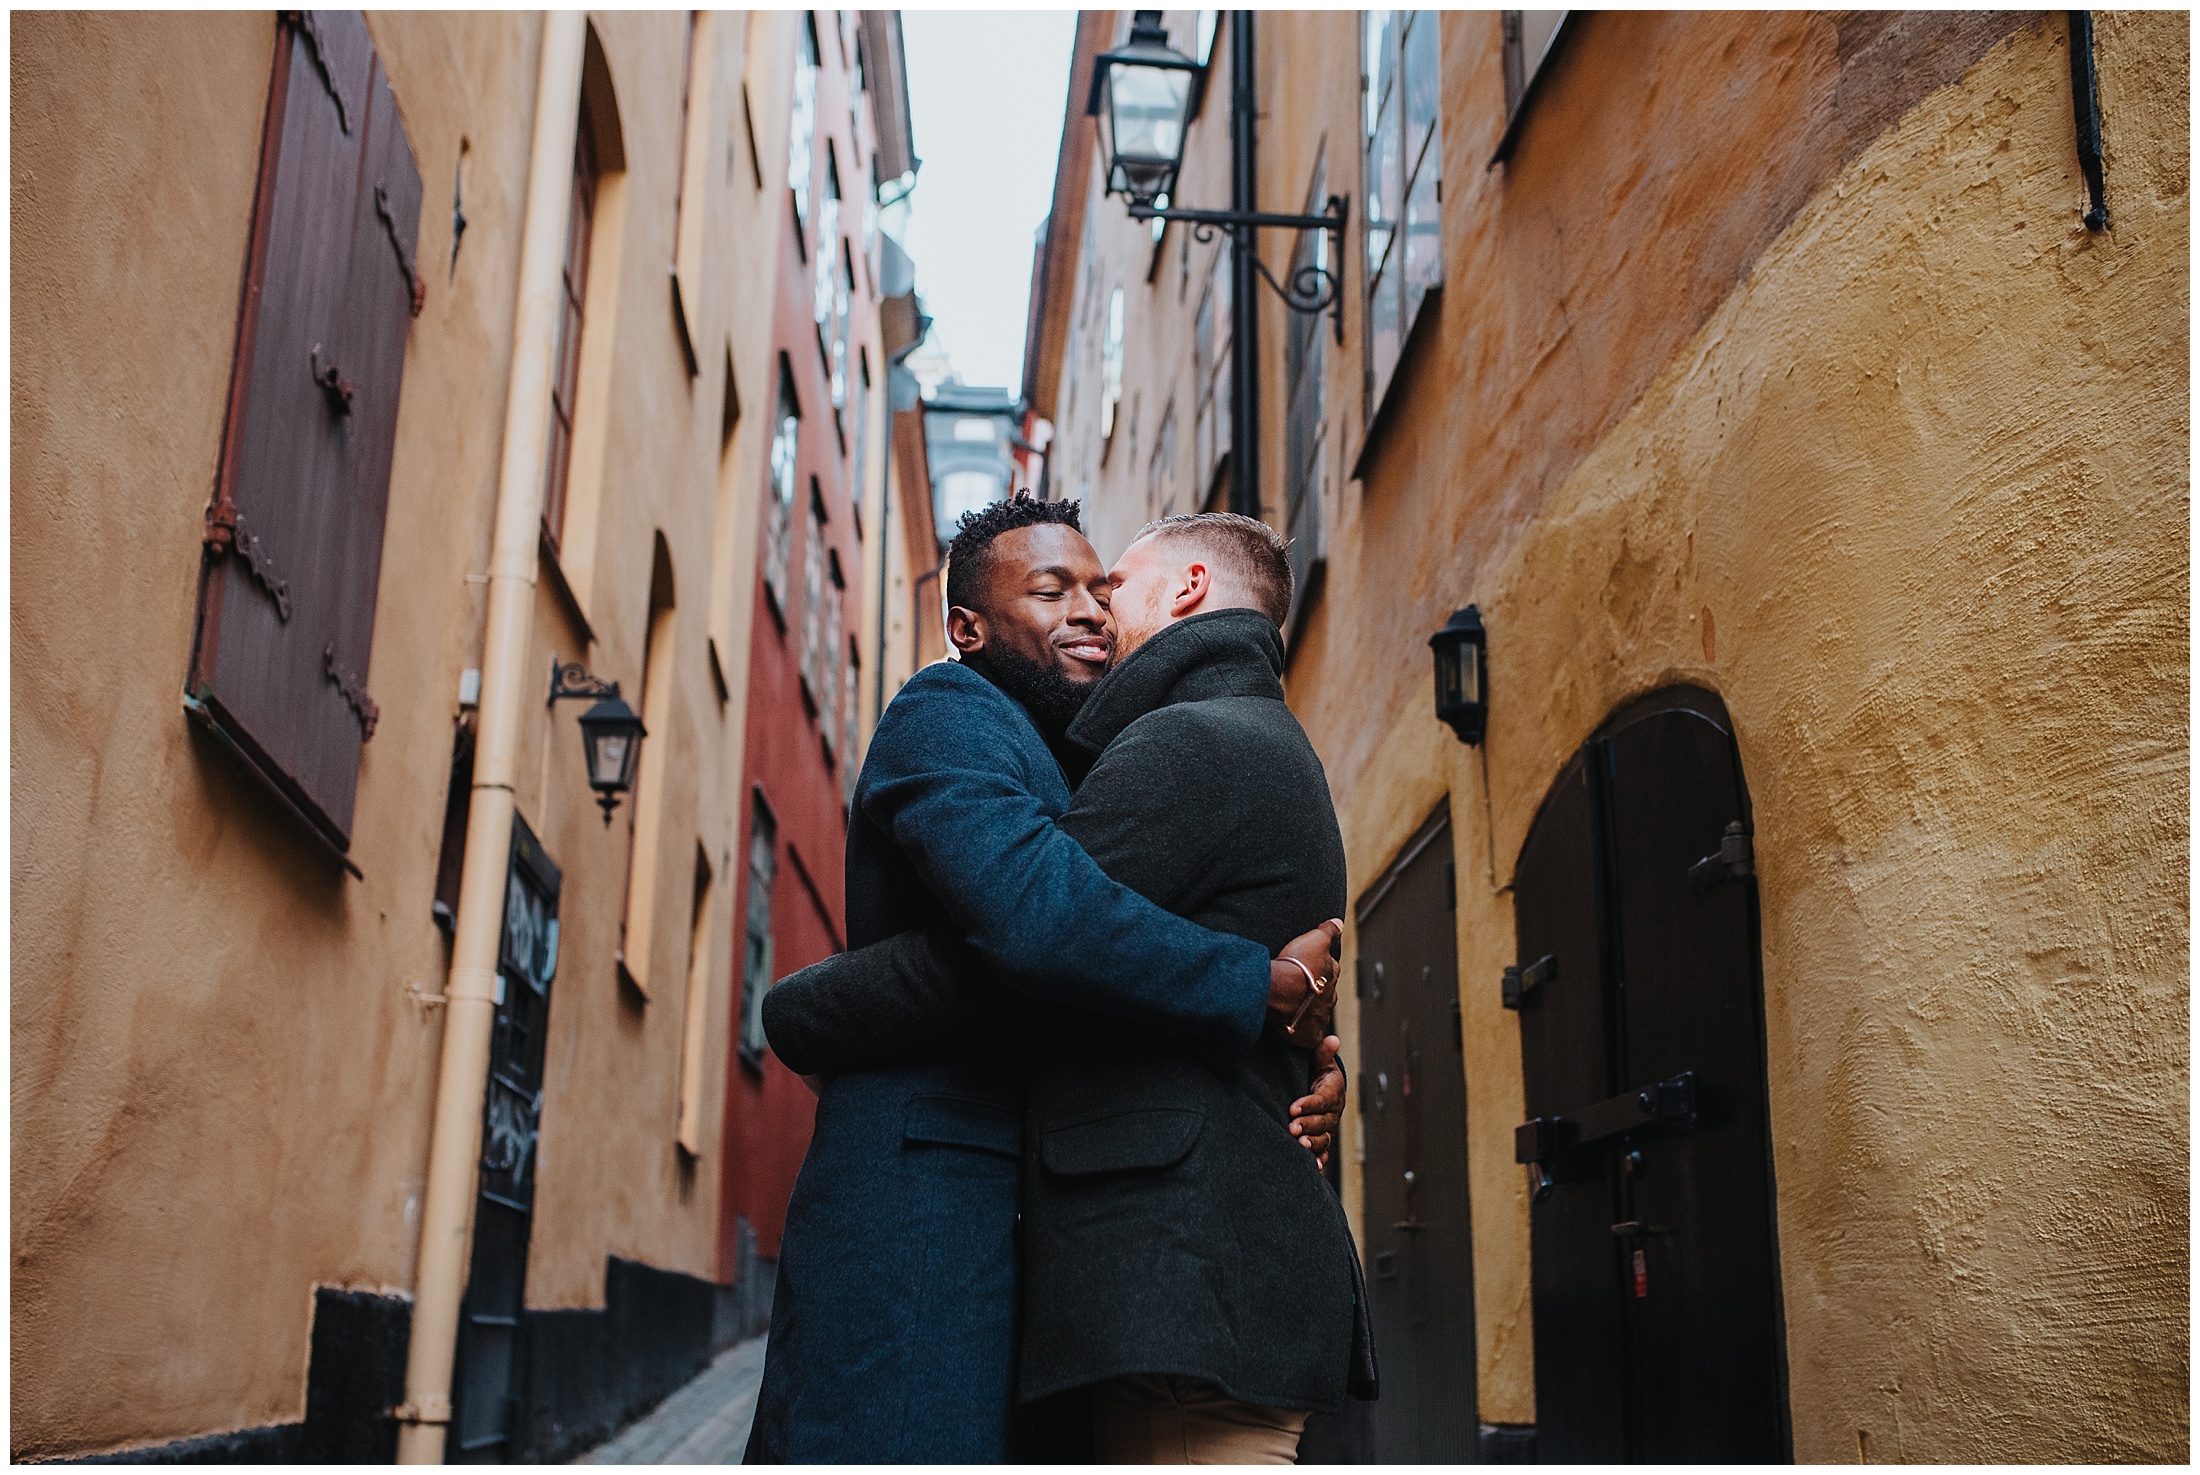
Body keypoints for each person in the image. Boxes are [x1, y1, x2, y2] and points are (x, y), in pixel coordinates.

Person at [742, 497, 1348, 1464]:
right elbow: (1034, 915)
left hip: (1021, 1203)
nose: (1092, 611)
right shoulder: (950, 709)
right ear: (968, 629)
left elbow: (1124, 945)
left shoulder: (1105, 756)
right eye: (1051, 589)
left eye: (1102, 588)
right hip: (923, 1188)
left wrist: (1311, 1059)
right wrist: (1254, 986)